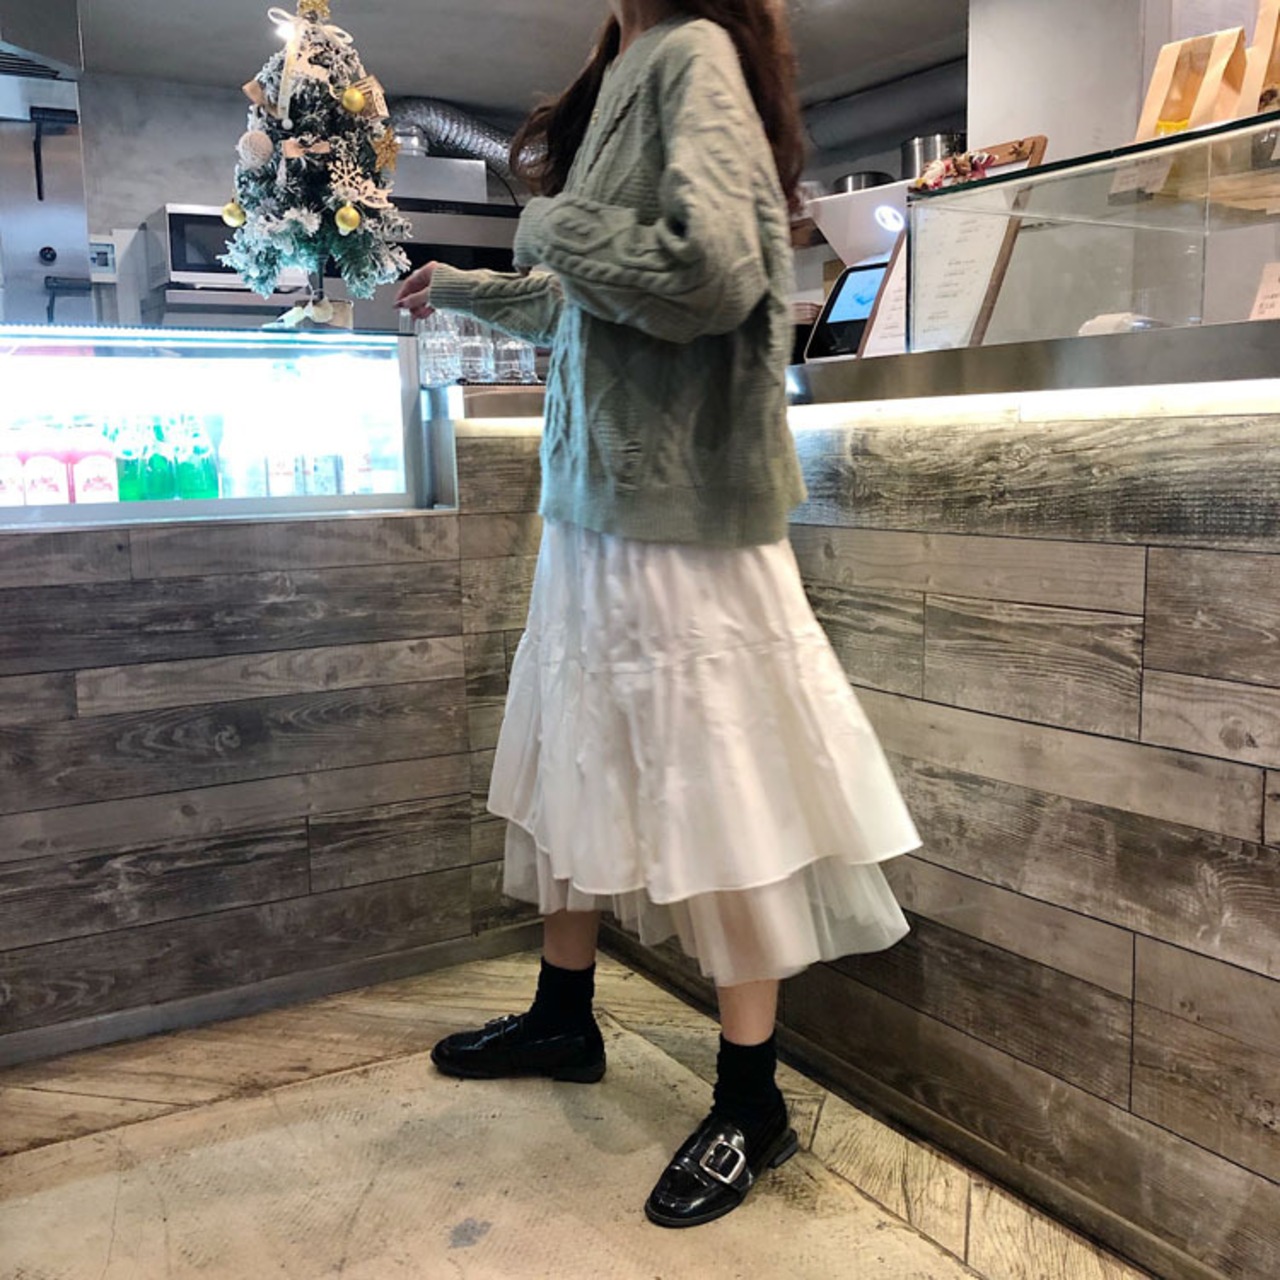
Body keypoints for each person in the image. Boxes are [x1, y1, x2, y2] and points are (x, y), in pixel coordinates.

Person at [395, 0, 919, 1230]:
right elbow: (592, 299)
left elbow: (710, 275)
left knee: (713, 784)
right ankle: (564, 1012)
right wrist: (471, 285)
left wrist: (544, 220)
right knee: (576, 753)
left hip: (677, 515)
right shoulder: (631, 62)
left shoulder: (691, 53)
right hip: (602, 501)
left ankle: (751, 1098)